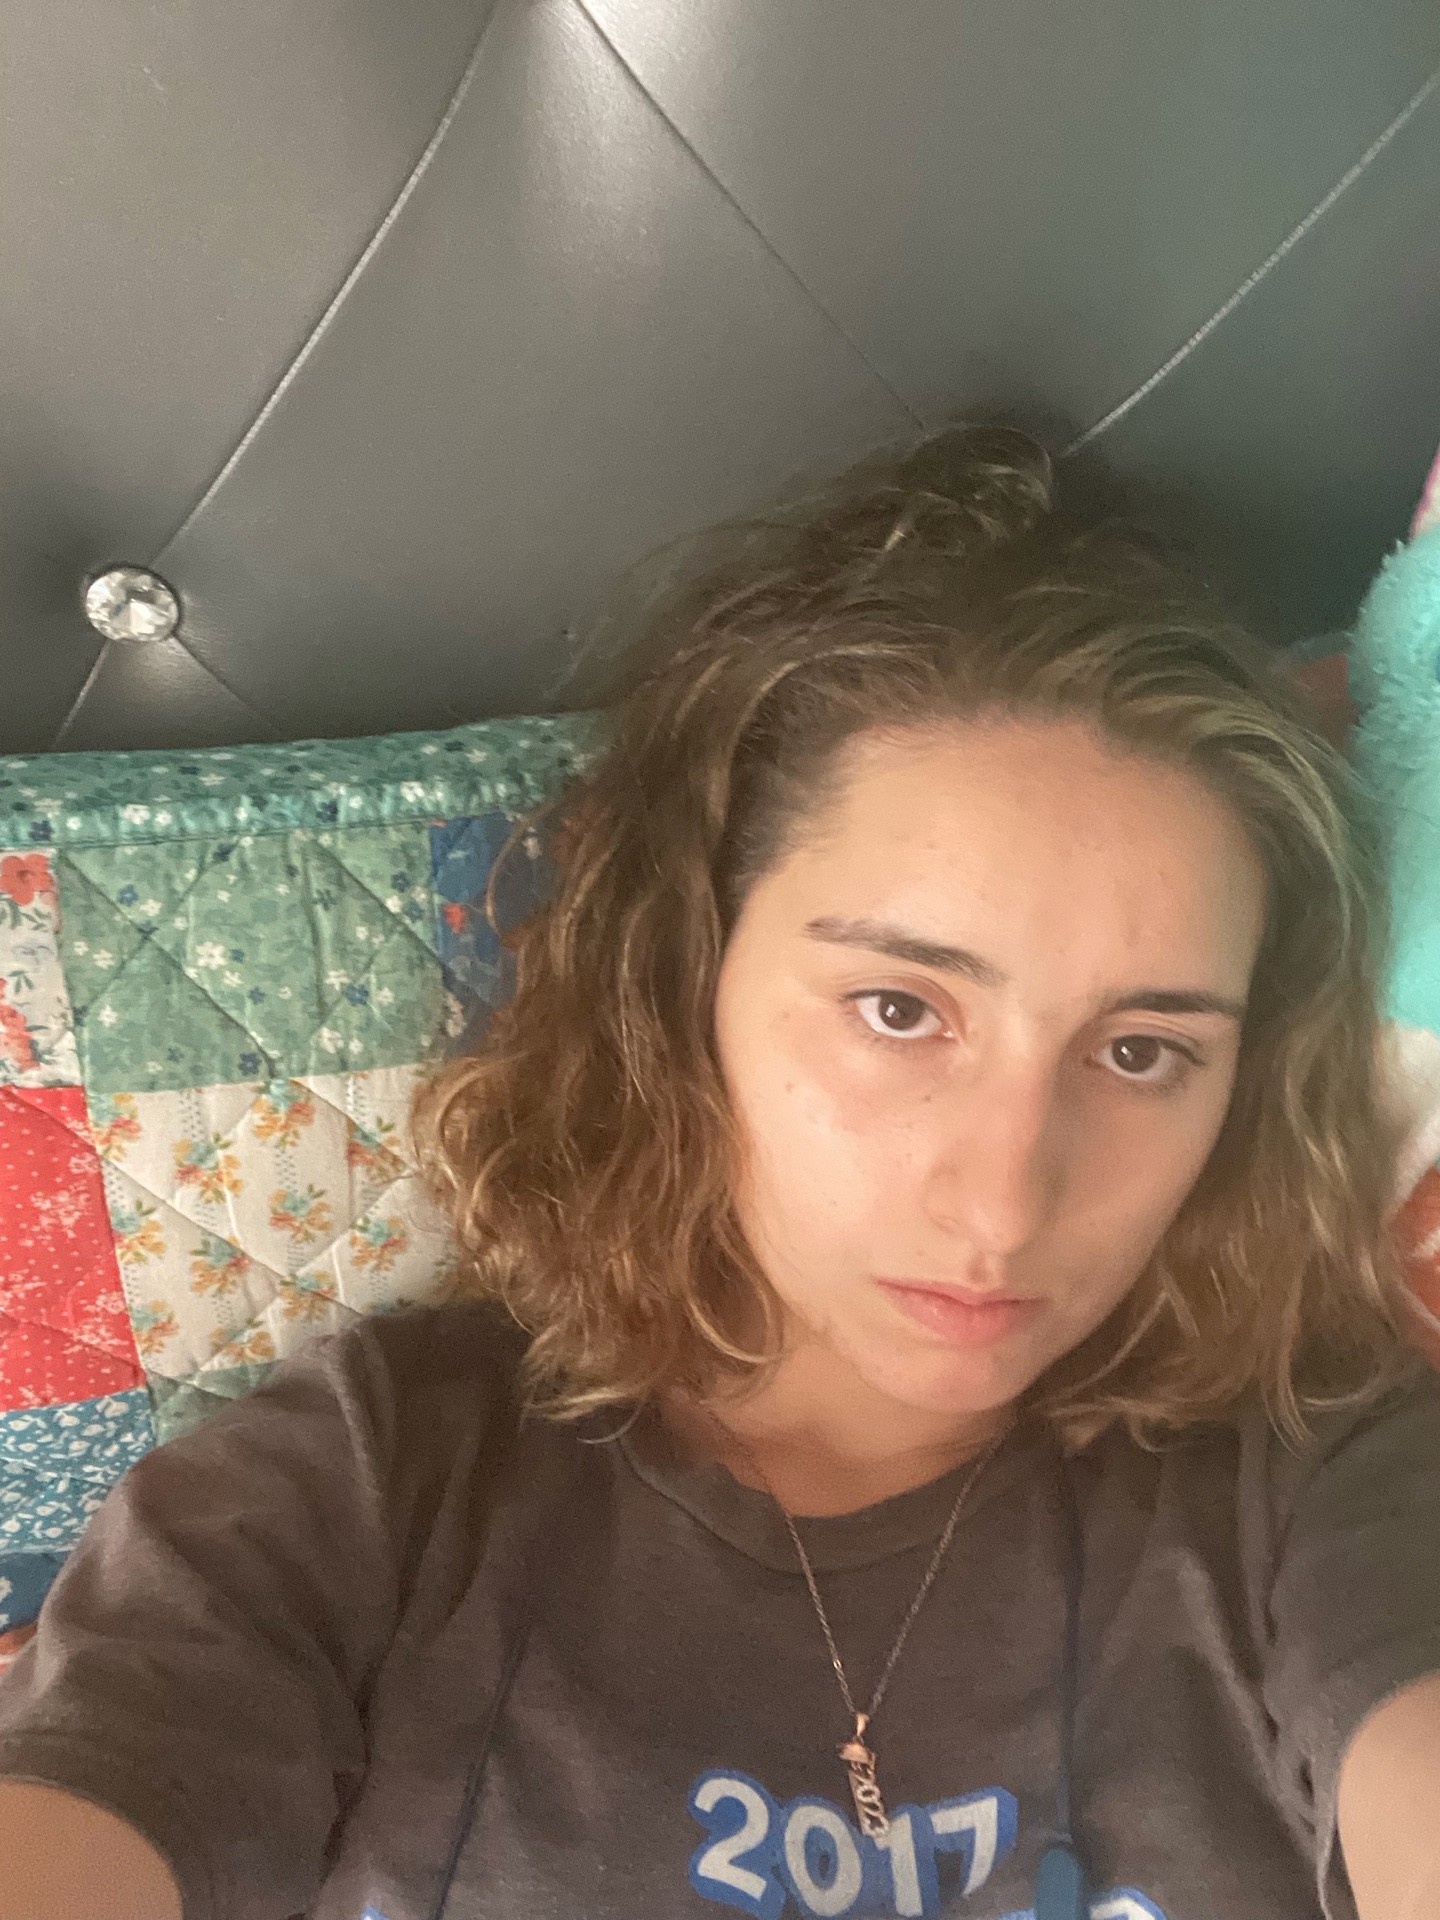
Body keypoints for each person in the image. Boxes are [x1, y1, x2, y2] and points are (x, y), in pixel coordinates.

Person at [2, 425, 1439, 1920]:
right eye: (900, 1011)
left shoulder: (1327, 1485)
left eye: (1141, 1051)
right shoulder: (359, 1494)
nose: (1005, 1204)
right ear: (686, 976)